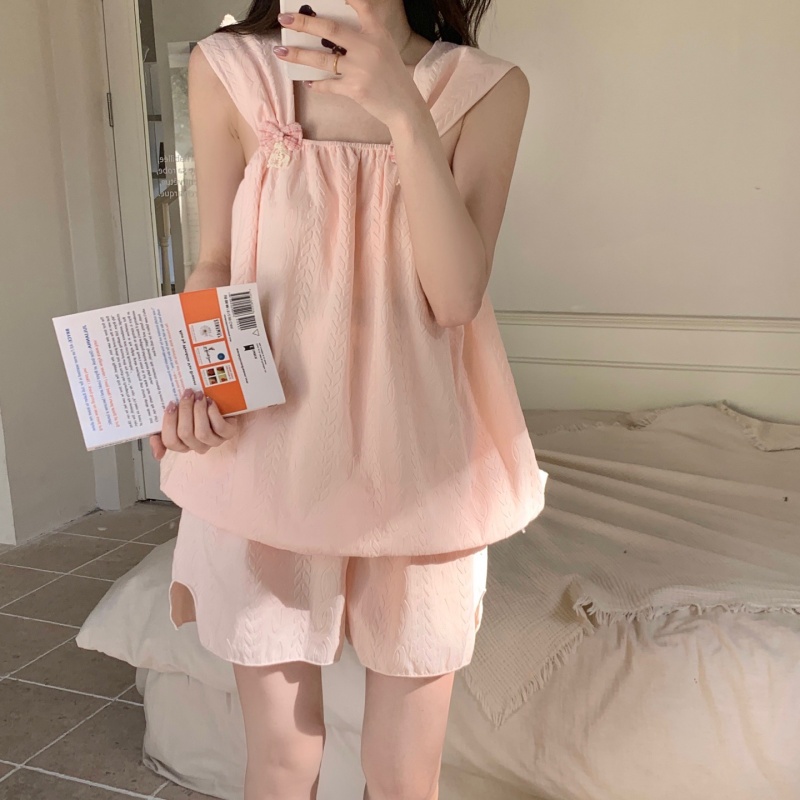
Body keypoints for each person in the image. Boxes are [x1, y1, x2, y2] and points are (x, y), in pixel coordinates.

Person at [151, 0, 548, 798]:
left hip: (421, 469)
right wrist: (202, 387)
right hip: (266, 459)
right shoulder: (228, 68)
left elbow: (456, 297)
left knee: (402, 776)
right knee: (282, 761)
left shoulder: (485, 88)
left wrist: (403, 109)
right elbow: (214, 264)